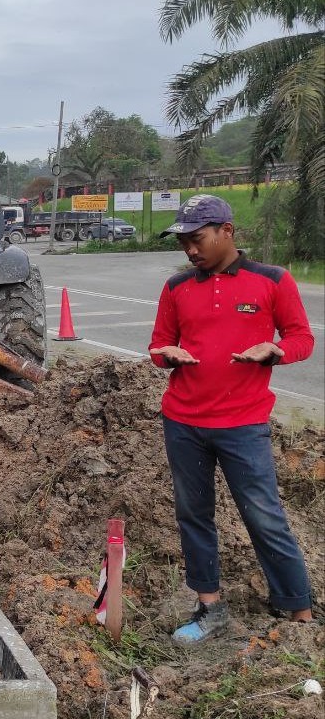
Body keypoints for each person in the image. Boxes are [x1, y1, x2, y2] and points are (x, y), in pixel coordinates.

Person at [149, 194, 315, 644]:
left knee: (263, 514)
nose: (189, 250)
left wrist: (275, 350)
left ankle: (297, 607)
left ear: (227, 231)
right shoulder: (177, 288)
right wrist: (168, 356)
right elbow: (158, 345)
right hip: (183, 422)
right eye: (183, 242)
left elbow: (301, 337)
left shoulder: (271, 281)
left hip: (242, 424)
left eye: (196, 239)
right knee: (194, 514)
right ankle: (210, 608)